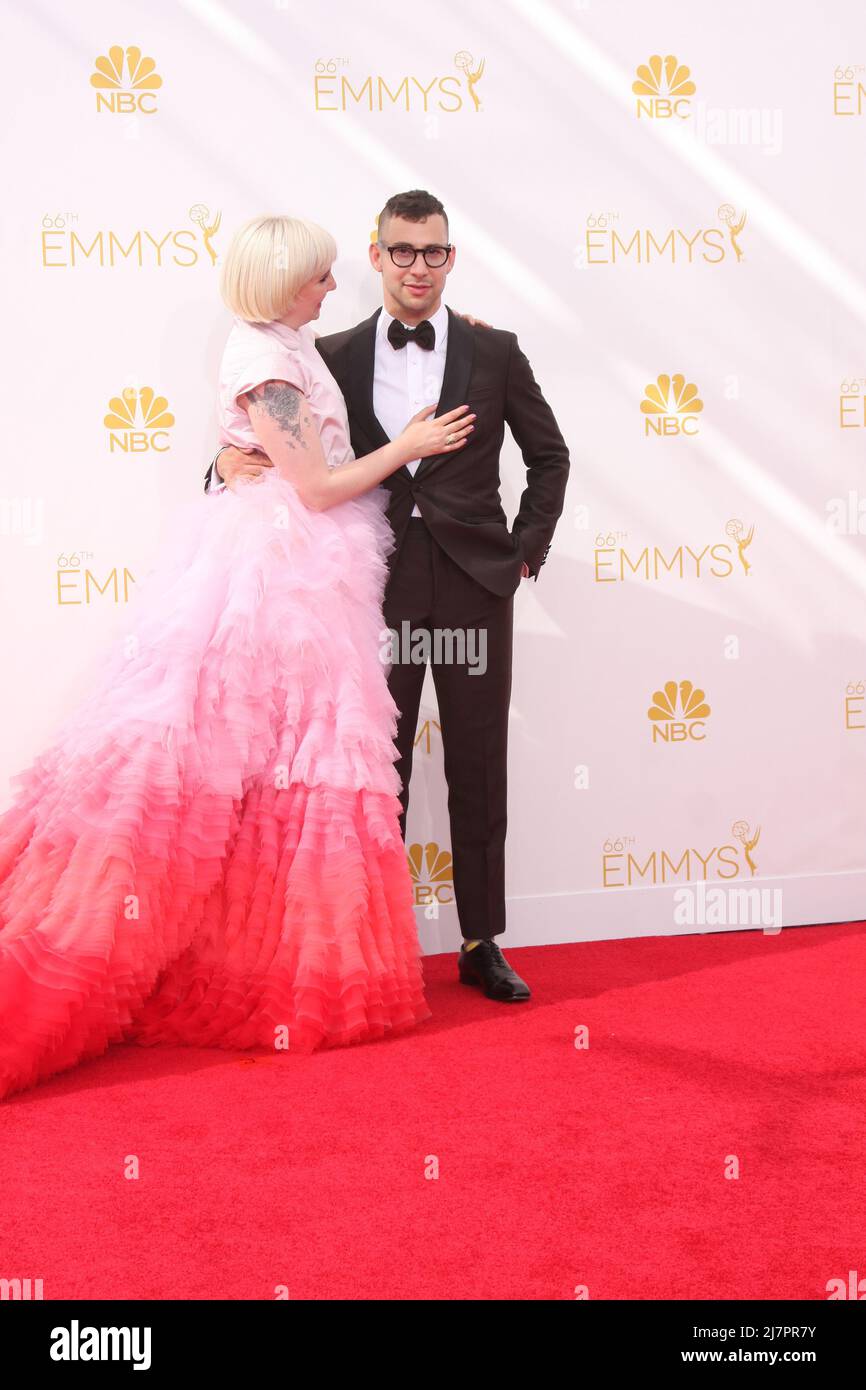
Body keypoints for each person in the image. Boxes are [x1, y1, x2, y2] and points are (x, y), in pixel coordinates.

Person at [0, 213, 476, 1102]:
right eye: (321, 275)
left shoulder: (284, 345)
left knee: (281, 762)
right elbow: (318, 483)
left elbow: (292, 450)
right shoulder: (263, 356)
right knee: (239, 752)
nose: (335, 287)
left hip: (303, 562)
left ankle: (264, 964)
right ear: (284, 279)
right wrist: (407, 445)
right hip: (275, 568)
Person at [208, 190, 571, 1003]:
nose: (417, 266)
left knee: (479, 764)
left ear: (451, 258)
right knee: (378, 771)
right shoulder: (322, 349)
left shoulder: (496, 351)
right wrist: (221, 468)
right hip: (374, 588)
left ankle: (482, 942)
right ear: (376, 257)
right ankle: (376, 946)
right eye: (401, 251)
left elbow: (551, 457)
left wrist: (523, 555)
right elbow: (269, 440)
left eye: (433, 251)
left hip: (478, 587)